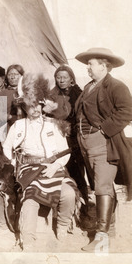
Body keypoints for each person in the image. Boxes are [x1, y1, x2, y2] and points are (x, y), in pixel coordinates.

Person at [74, 47, 132, 252]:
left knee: (102, 186)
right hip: (86, 144)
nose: (88, 67)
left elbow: (128, 112)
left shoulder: (116, 86)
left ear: (104, 66)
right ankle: (110, 230)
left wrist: (104, 131)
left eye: (91, 63)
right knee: (100, 186)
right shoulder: (88, 87)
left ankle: (101, 237)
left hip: (103, 143)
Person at [2, 74, 79, 251]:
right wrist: (16, 165)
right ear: (25, 107)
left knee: (68, 194)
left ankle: (62, 226)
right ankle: (27, 240)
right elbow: (7, 148)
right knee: (30, 200)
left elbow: (64, 151)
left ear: (42, 105)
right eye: (30, 106)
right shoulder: (19, 126)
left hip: (53, 168)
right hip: (29, 169)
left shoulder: (53, 125)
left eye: (37, 105)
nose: (34, 109)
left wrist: (55, 166)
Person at [49, 65, 90, 212]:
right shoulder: (51, 96)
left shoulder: (79, 94)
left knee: (78, 173)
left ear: (71, 78)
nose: (61, 80)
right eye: (58, 77)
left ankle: (84, 209)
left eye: (64, 77)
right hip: (58, 139)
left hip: (75, 139)